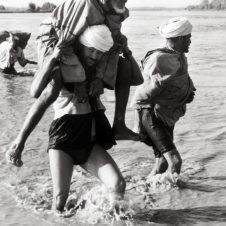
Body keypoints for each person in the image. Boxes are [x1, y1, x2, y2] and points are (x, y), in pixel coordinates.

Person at [6, 0, 143, 165]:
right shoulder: (85, 5)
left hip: (85, 43)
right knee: (52, 89)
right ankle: (19, 142)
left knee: (124, 66)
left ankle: (119, 124)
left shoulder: (116, 11)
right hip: (55, 39)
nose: (124, 1)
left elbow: (111, 45)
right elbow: (65, 41)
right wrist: (79, 79)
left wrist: (100, 76)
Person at [7, 25, 126, 213]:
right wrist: (19, 142)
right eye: (91, 49)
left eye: (100, 52)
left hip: (89, 141)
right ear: (81, 46)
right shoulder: (61, 69)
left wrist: (125, 50)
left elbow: (131, 74)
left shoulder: (99, 71)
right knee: (60, 202)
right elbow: (39, 101)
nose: (95, 56)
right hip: (63, 141)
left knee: (118, 184)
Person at [131, 17, 196, 183]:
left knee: (161, 164)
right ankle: (176, 200)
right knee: (175, 161)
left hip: (167, 115)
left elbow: (182, 78)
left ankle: (143, 190)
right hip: (153, 115)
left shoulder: (179, 56)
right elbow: (141, 95)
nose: (190, 41)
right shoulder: (159, 59)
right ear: (180, 38)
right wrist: (139, 125)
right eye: (188, 37)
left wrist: (188, 91)